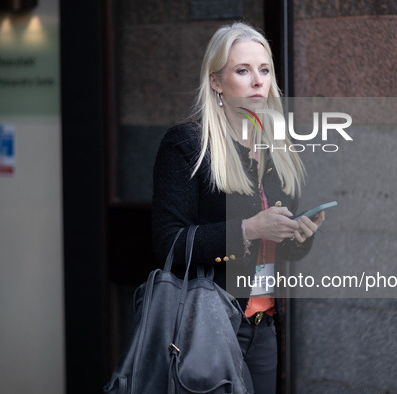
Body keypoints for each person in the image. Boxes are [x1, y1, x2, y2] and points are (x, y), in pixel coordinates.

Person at [151, 22, 325, 394]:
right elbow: (169, 243)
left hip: (262, 325)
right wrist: (249, 229)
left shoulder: (278, 150)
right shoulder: (188, 144)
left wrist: (298, 235)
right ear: (216, 82)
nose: (257, 81)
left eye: (264, 70)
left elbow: (275, 247)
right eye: (242, 71)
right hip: (207, 325)